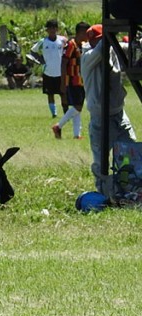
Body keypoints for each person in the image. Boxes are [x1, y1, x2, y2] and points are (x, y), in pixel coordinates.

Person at [81, 24, 137, 196]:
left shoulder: (113, 50)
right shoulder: (88, 56)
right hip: (100, 118)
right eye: (101, 40)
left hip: (119, 114)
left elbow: (131, 46)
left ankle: (129, 188)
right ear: (92, 42)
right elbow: (102, 48)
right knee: (101, 161)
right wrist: (110, 34)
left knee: (131, 151)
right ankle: (104, 194)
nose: (106, 42)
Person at [54, 22, 90, 139]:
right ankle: (58, 126)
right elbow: (63, 63)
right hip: (72, 80)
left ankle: (76, 134)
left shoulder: (82, 45)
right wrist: (63, 82)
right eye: (87, 33)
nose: (88, 36)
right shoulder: (71, 45)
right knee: (77, 107)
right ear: (81, 32)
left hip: (80, 80)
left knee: (77, 107)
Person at [32, 20, 68, 118]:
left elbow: (69, 49)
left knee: (63, 93)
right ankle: (54, 113)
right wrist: (41, 60)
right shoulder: (43, 42)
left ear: (57, 29)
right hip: (48, 72)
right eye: (50, 28)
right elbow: (33, 51)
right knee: (50, 94)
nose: (52, 30)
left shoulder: (63, 40)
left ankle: (66, 113)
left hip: (61, 72)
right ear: (47, 30)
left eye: (54, 28)